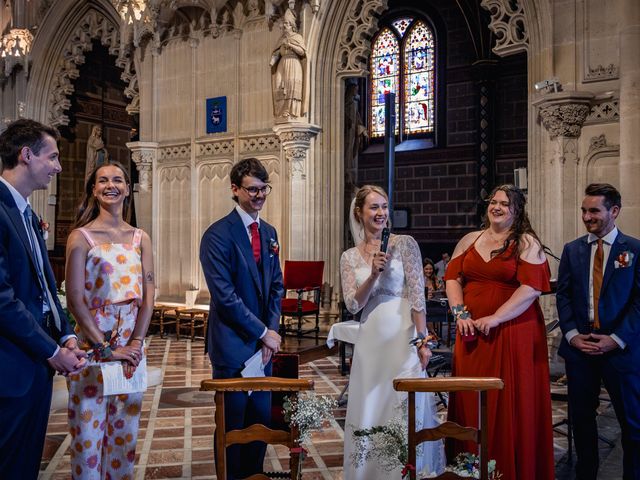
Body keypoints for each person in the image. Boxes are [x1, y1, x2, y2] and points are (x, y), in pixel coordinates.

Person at [444, 184, 554, 480]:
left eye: (504, 203)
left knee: (508, 401)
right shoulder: (470, 239)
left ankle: (508, 470)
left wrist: (495, 318)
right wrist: (460, 313)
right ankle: (468, 468)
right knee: (471, 398)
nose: (497, 207)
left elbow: (530, 289)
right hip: (470, 334)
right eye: (493, 202)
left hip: (513, 331)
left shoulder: (527, 243)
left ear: (516, 211)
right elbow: (452, 278)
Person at [0, 118, 85, 479]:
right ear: (26, 155)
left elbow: (47, 285)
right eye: (52, 157)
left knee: (25, 462)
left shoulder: (27, 213)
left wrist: (64, 333)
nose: (58, 167)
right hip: (10, 365)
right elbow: (2, 300)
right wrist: (52, 352)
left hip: (34, 362)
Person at [341, 185, 445, 479]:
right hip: (371, 340)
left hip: (403, 337)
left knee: (404, 405)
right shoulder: (349, 257)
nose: (381, 213)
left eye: (384, 207)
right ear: (359, 213)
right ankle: (369, 472)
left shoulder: (404, 244)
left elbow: (417, 296)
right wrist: (373, 275)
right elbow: (353, 304)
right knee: (371, 406)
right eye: (374, 207)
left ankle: (410, 470)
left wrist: (423, 341)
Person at [65, 162, 154, 479]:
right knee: (88, 441)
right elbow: (75, 298)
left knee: (124, 440)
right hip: (92, 353)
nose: (110, 185)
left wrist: (136, 344)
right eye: (102, 180)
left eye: (118, 179)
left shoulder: (139, 238)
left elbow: (148, 296)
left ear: (128, 188)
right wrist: (104, 349)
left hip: (130, 354)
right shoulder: (81, 237)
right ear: (93, 189)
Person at [200, 157, 283, 479]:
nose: (259, 196)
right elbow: (225, 296)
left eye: (264, 189)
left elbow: (277, 286)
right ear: (235, 190)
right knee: (232, 427)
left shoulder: (270, 232)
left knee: (259, 425)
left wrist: (271, 333)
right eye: (252, 190)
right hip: (233, 346)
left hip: (263, 349)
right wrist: (263, 332)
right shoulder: (218, 235)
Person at [556, 183, 640, 480]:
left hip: (621, 349)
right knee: (581, 420)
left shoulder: (634, 249)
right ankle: (585, 475)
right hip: (581, 347)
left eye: (594, 210)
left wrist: (615, 339)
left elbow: (639, 303)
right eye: (584, 210)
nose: (587, 216)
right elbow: (563, 296)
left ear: (614, 211)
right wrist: (572, 335)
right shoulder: (573, 250)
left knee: (632, 423)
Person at [270, 8, 307, 119]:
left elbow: (302, 52)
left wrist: (290, 45)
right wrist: (273, 60)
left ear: (292, 25)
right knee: (278, 86)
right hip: (282, 63)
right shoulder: (281, 39)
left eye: (286, 23)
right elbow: (277, 52)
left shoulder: (297, 37)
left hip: (293, 63)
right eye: (284, 23)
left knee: (291, 87)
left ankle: (291, 111)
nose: (284, 25)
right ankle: (281, 112)